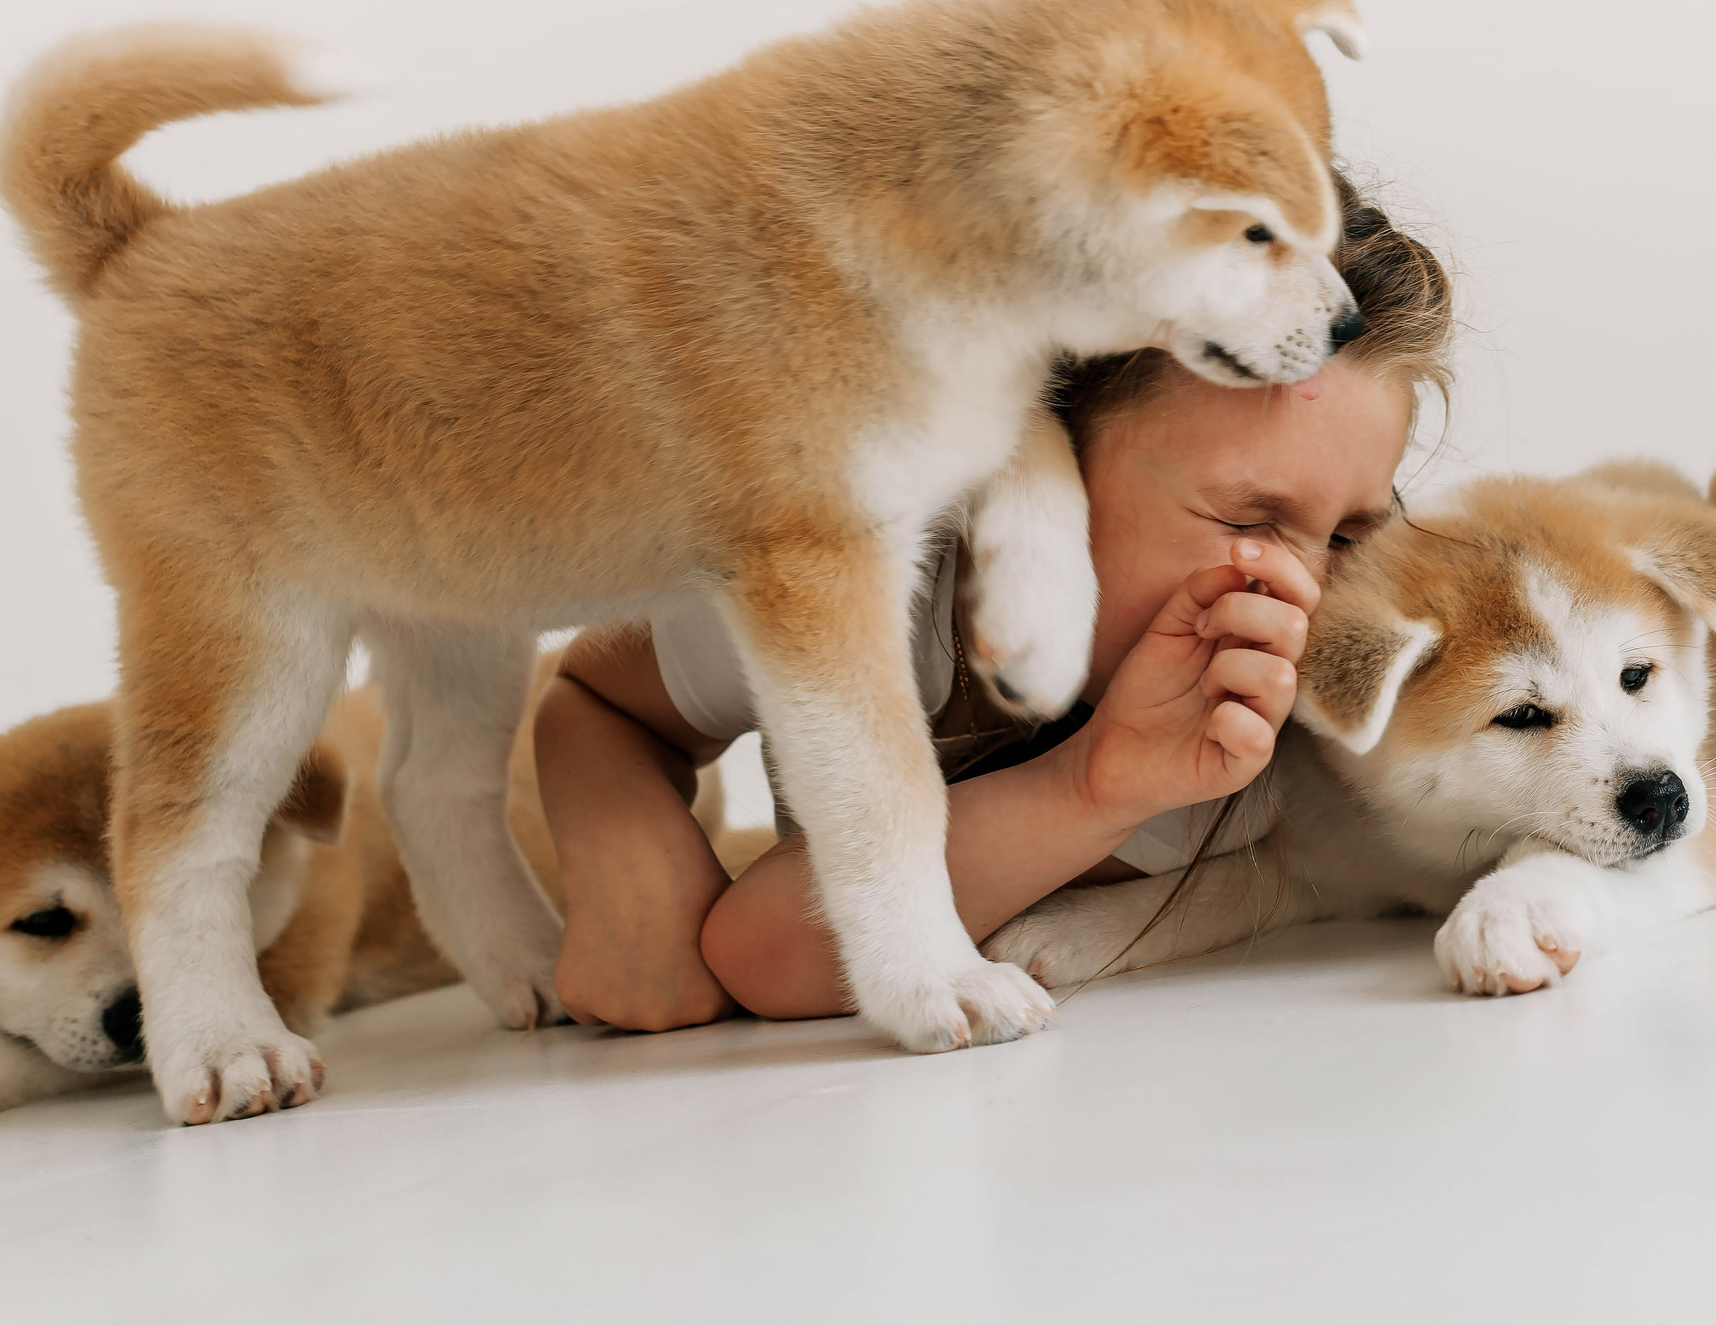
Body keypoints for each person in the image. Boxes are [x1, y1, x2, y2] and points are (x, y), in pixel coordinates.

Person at [533, 182, 1454, 1031]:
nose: (1301, 590)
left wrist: (1096, 784)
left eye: (1348, 538)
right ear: (1037, 453)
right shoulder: (873, 551)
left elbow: (766, 956)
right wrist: (629, 859)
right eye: (1250, 517)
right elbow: (595, 697)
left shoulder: (1220, 747)